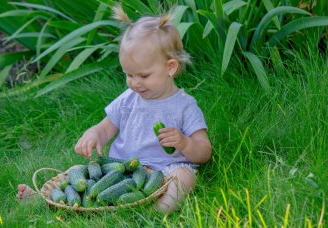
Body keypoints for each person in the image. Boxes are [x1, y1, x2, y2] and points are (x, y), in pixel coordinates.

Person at [17, 5, 212, 214]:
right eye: (129, 74)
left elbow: (204, 152)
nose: (135, 83)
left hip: (164, 173)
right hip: (121, 170)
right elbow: (105, 128)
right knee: (77, 173)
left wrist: (184, 142)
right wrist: (93, 135)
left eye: (144, 75)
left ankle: (154, 211)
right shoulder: (128, 99)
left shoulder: (185, 106)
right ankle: (45, 198)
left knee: (185, 177)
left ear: (170, 67)